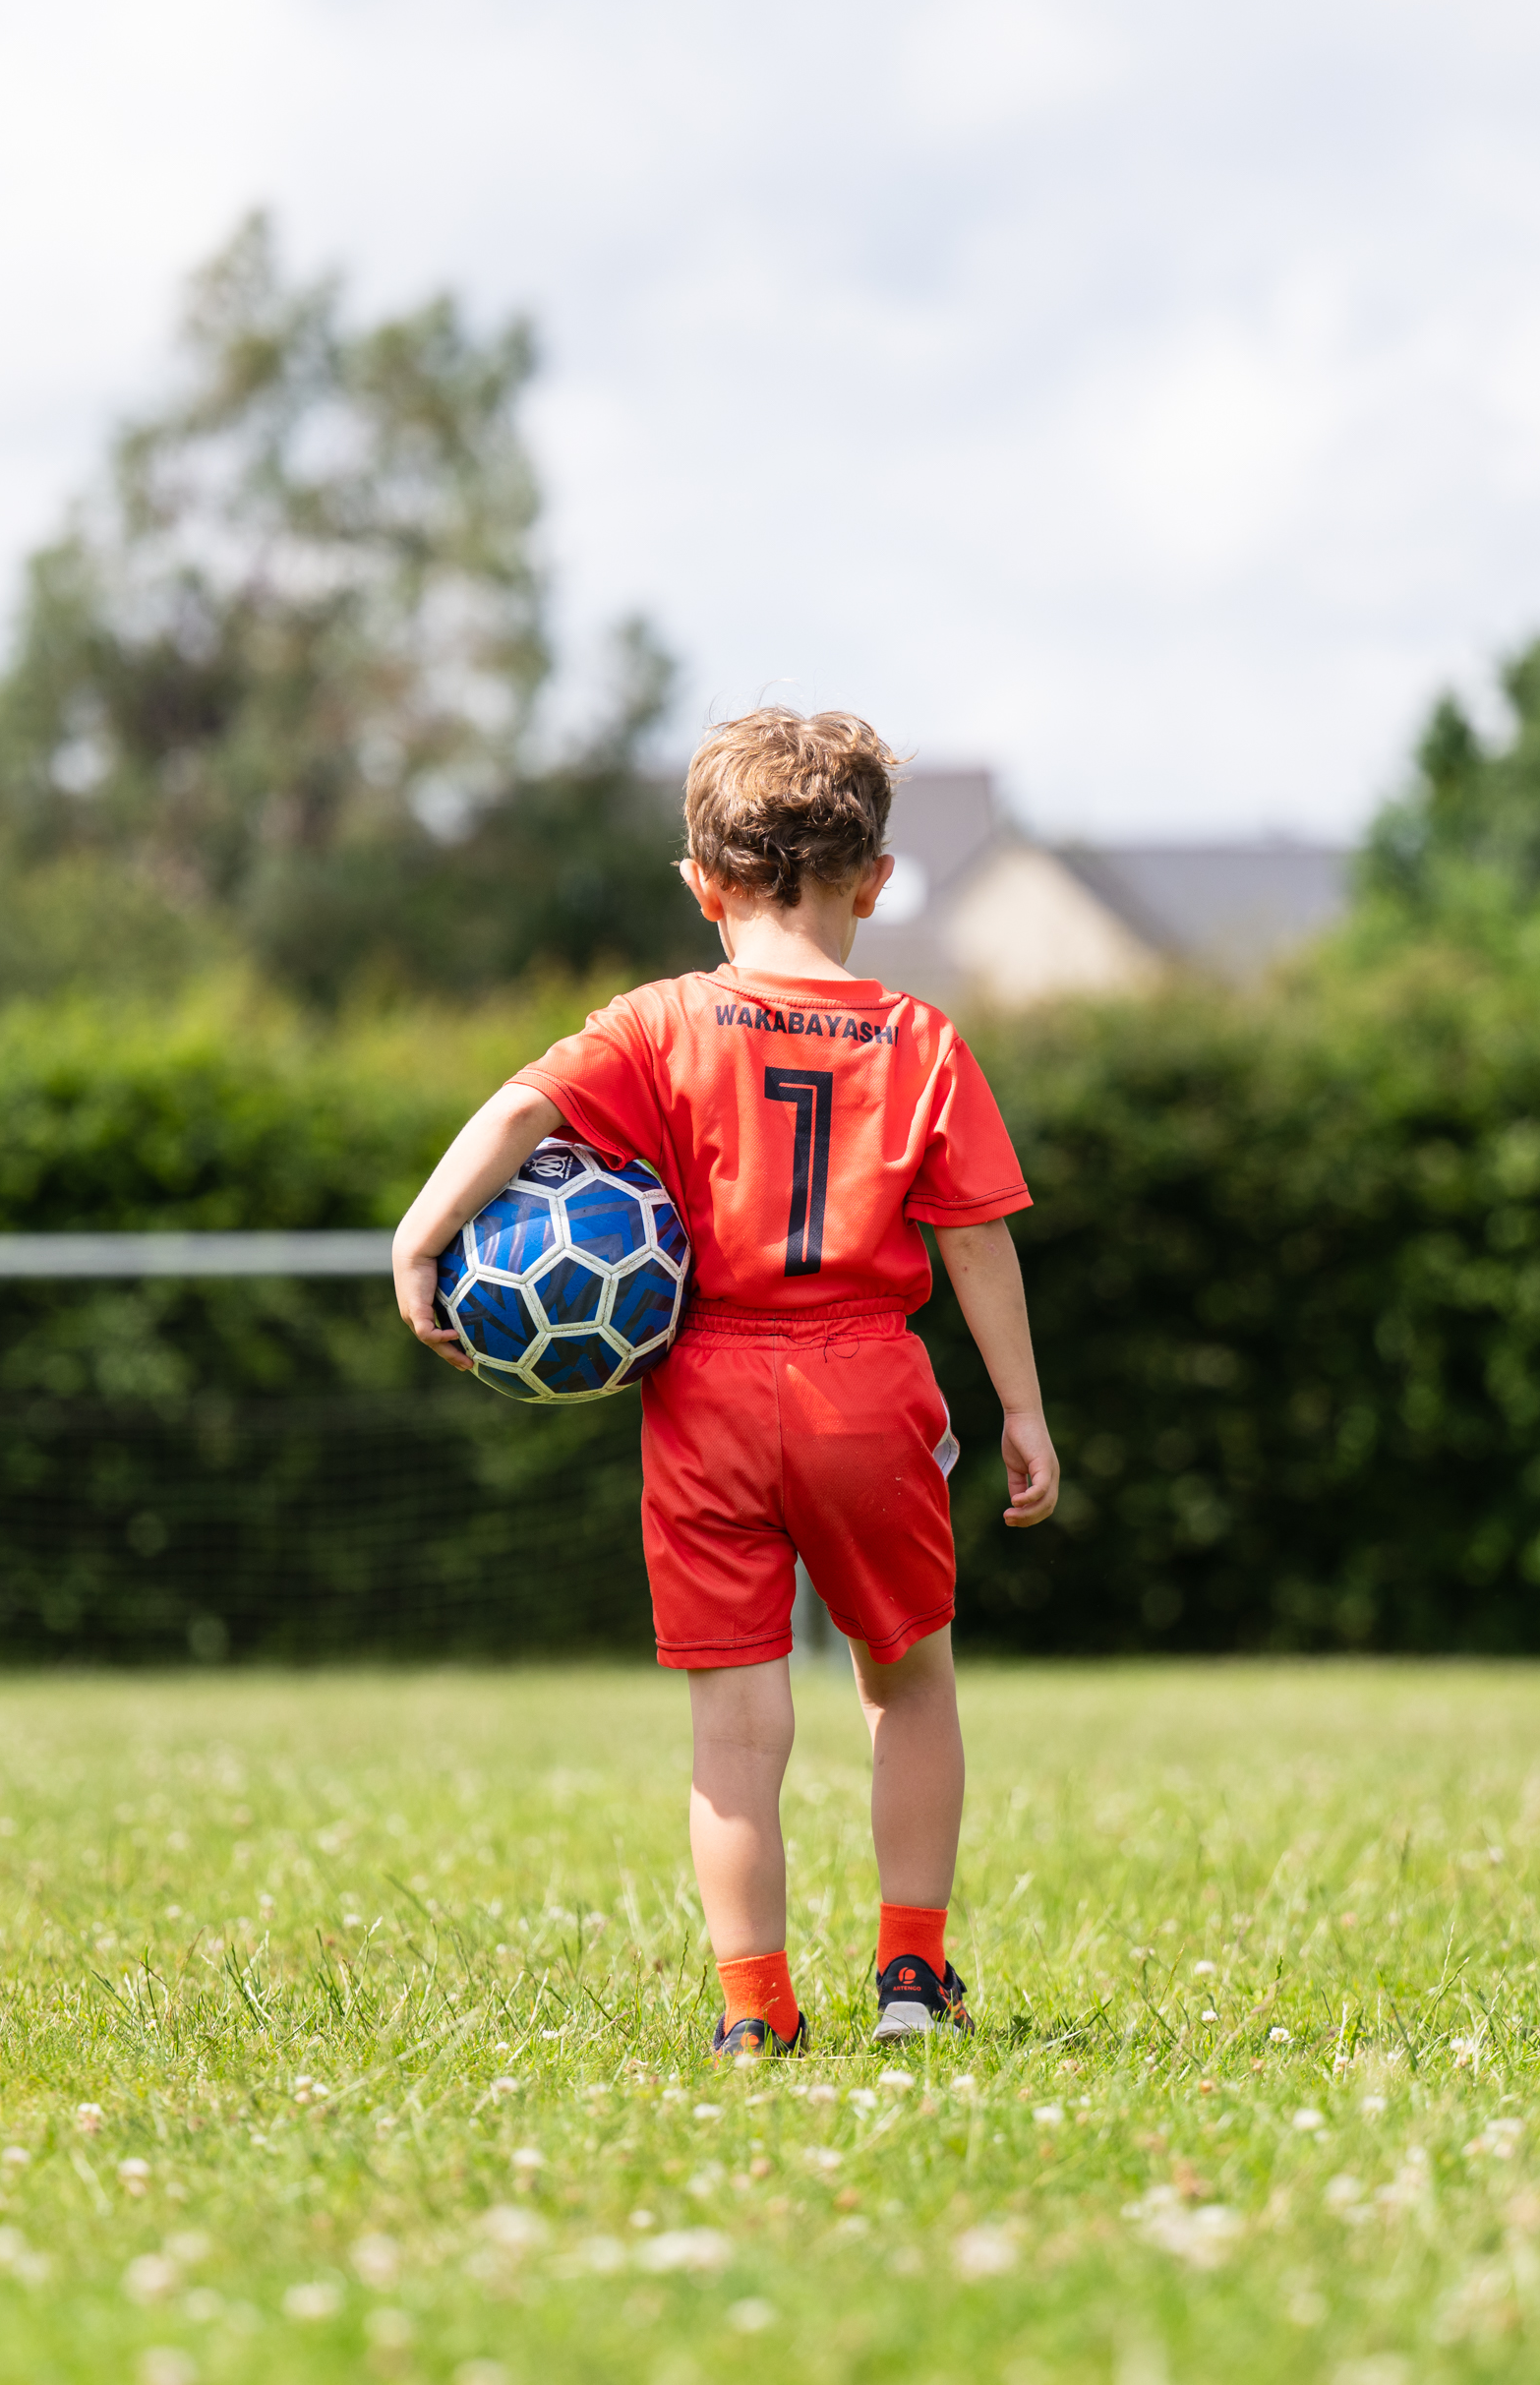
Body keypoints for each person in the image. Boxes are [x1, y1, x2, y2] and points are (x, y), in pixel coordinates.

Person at [391, 708, 1059, 2056]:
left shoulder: (657, 1025)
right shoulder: (923, 1041)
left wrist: (419, 1237)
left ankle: (756, 2013)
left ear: (705, 886)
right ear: (874, 881)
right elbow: (975, 1237)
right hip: (871, 1391)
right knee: (907, 1682)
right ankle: (914, 1981)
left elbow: (522, 1109)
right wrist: (1025, 1411)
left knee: (736, 1728)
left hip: (703, 1398)